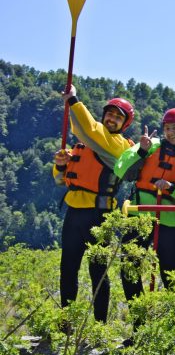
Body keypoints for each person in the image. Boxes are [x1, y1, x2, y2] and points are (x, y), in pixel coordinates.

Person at [53, 84, 135, 321]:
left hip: (99, 216)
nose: (112, 118)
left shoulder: (119, 146)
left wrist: (73, 100)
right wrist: (60, 164)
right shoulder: (85, 145)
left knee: (97, 271)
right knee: (68, 268)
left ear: (124, 124)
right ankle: (66, 322)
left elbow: (87, 129)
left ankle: (100, 325)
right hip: (74, 213)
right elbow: (60, 179)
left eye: (118, 117)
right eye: (110, 113)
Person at [115, 108, 175, 301]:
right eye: (167, 127)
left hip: (170, 223)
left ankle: (171, 325)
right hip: (138, 217)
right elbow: (121, 169)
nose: (171, 132)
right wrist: (140, 151)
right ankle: (138, 318)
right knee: (128, 268)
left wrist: (172, 188)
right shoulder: (150, 145)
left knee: (171, 276)